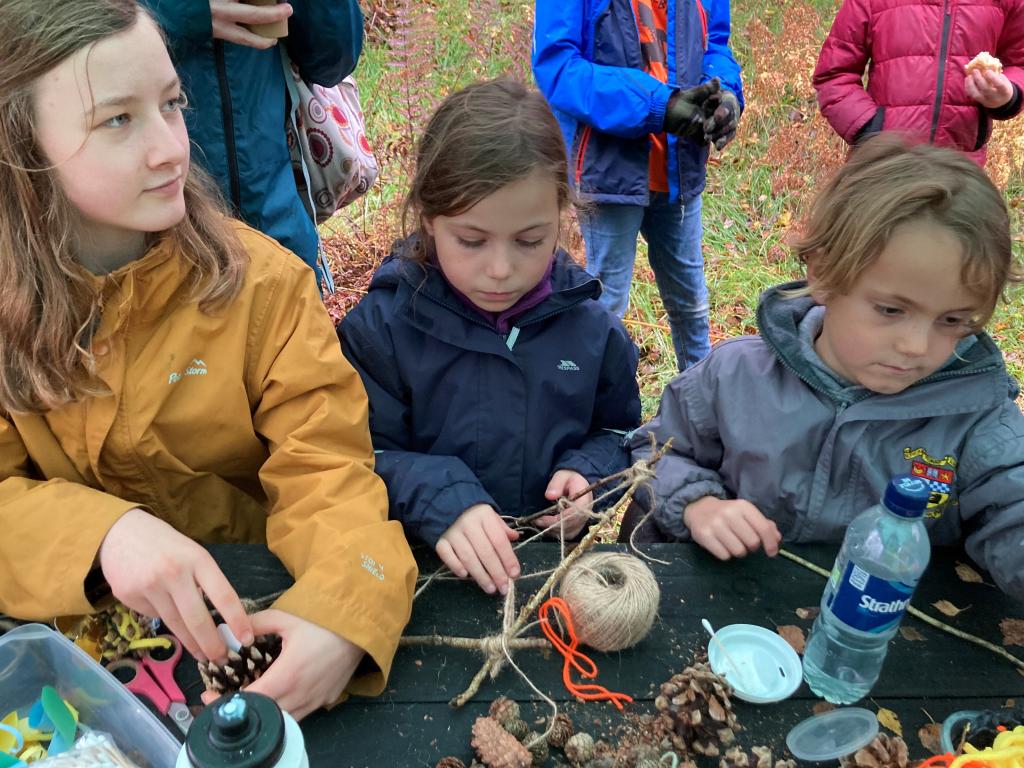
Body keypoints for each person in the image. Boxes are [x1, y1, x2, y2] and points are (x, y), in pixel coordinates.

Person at [0, 0, 415, 721]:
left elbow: (330, 472)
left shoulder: (264, 288)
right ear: (22, 144)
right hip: (68, 680)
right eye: (118, 120)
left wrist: (344, 614)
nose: (168, 148)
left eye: (172, 104)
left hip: (250, 636)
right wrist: (103, 537)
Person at [624, 135, 1024, 601]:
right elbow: (654, 451)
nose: (916, 346)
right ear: (824, 275)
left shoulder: (976, 419)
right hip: (730, 612)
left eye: (954, 320)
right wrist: (697, 502)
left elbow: (1012, 508)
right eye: (891, 310)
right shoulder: (736, 376)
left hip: (878, 642)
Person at [339, 79, 642, 597]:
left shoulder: (592, 332)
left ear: (561, 217)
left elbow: (620, 435)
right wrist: (438, 497)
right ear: (430, 219)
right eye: (472, 241)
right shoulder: (382, 328)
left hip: (543, 580)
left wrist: (588, 478)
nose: (500, 270)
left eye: (530, 240)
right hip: (415, 575)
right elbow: (349, 457)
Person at [532, 0, 744, 370]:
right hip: (609, 168)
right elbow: (559, 67)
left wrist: (725, 93)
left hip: (679, 166)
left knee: (691, 304)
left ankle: (702, 408)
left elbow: (715, 45)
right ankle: (600, 414)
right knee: (607, 305)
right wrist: (660, 104)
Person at [141, 0, 364, 283]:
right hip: (155, 244)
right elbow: (78, 36)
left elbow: (333, 61)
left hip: (278, 231)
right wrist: (185, 13)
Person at [813, 0, 1024, 165]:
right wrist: (871, 131)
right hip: (883, 165)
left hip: (960, 170)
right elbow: (834, 73)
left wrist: (1009, 95)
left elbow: (1019, 64)